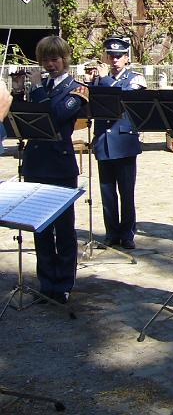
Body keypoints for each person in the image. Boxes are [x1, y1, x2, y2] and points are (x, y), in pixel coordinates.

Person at [22, 35, 89, 304]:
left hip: (60, 166)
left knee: (63, 229)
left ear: (65, 59)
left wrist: (38, 91)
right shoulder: (40, 89)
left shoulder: (77, 89)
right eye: (45, 60)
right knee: (40, 229)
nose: (50, 65)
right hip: (36, 164)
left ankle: (63, 284)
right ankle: (46, 281)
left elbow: (56, 115)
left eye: (54, 59)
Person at [90, 37, 146, 249]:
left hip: (123, 142)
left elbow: (122, 101)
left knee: (126, 191)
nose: (114, 60)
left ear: (126, 58)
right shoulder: (98, 80)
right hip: (104, 141)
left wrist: (104, 81)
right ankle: (111, 232)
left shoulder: (134, 79)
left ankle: (127, 233)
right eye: (111, 56)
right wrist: (95, 82)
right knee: (107, 192)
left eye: (119, 56)